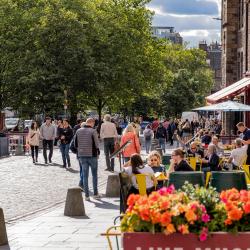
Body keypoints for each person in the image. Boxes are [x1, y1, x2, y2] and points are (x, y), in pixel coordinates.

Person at [75, 118, 100, 201]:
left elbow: (75, 144)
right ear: (91, 123)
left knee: (85, 176)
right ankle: (95, 194)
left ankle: (86, 195)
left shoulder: (78, 131)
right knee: (94, 175)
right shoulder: (93, 131)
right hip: (92, 155)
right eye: (94, 123)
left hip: (82, 155)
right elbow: (97, 144)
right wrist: (98, 153)